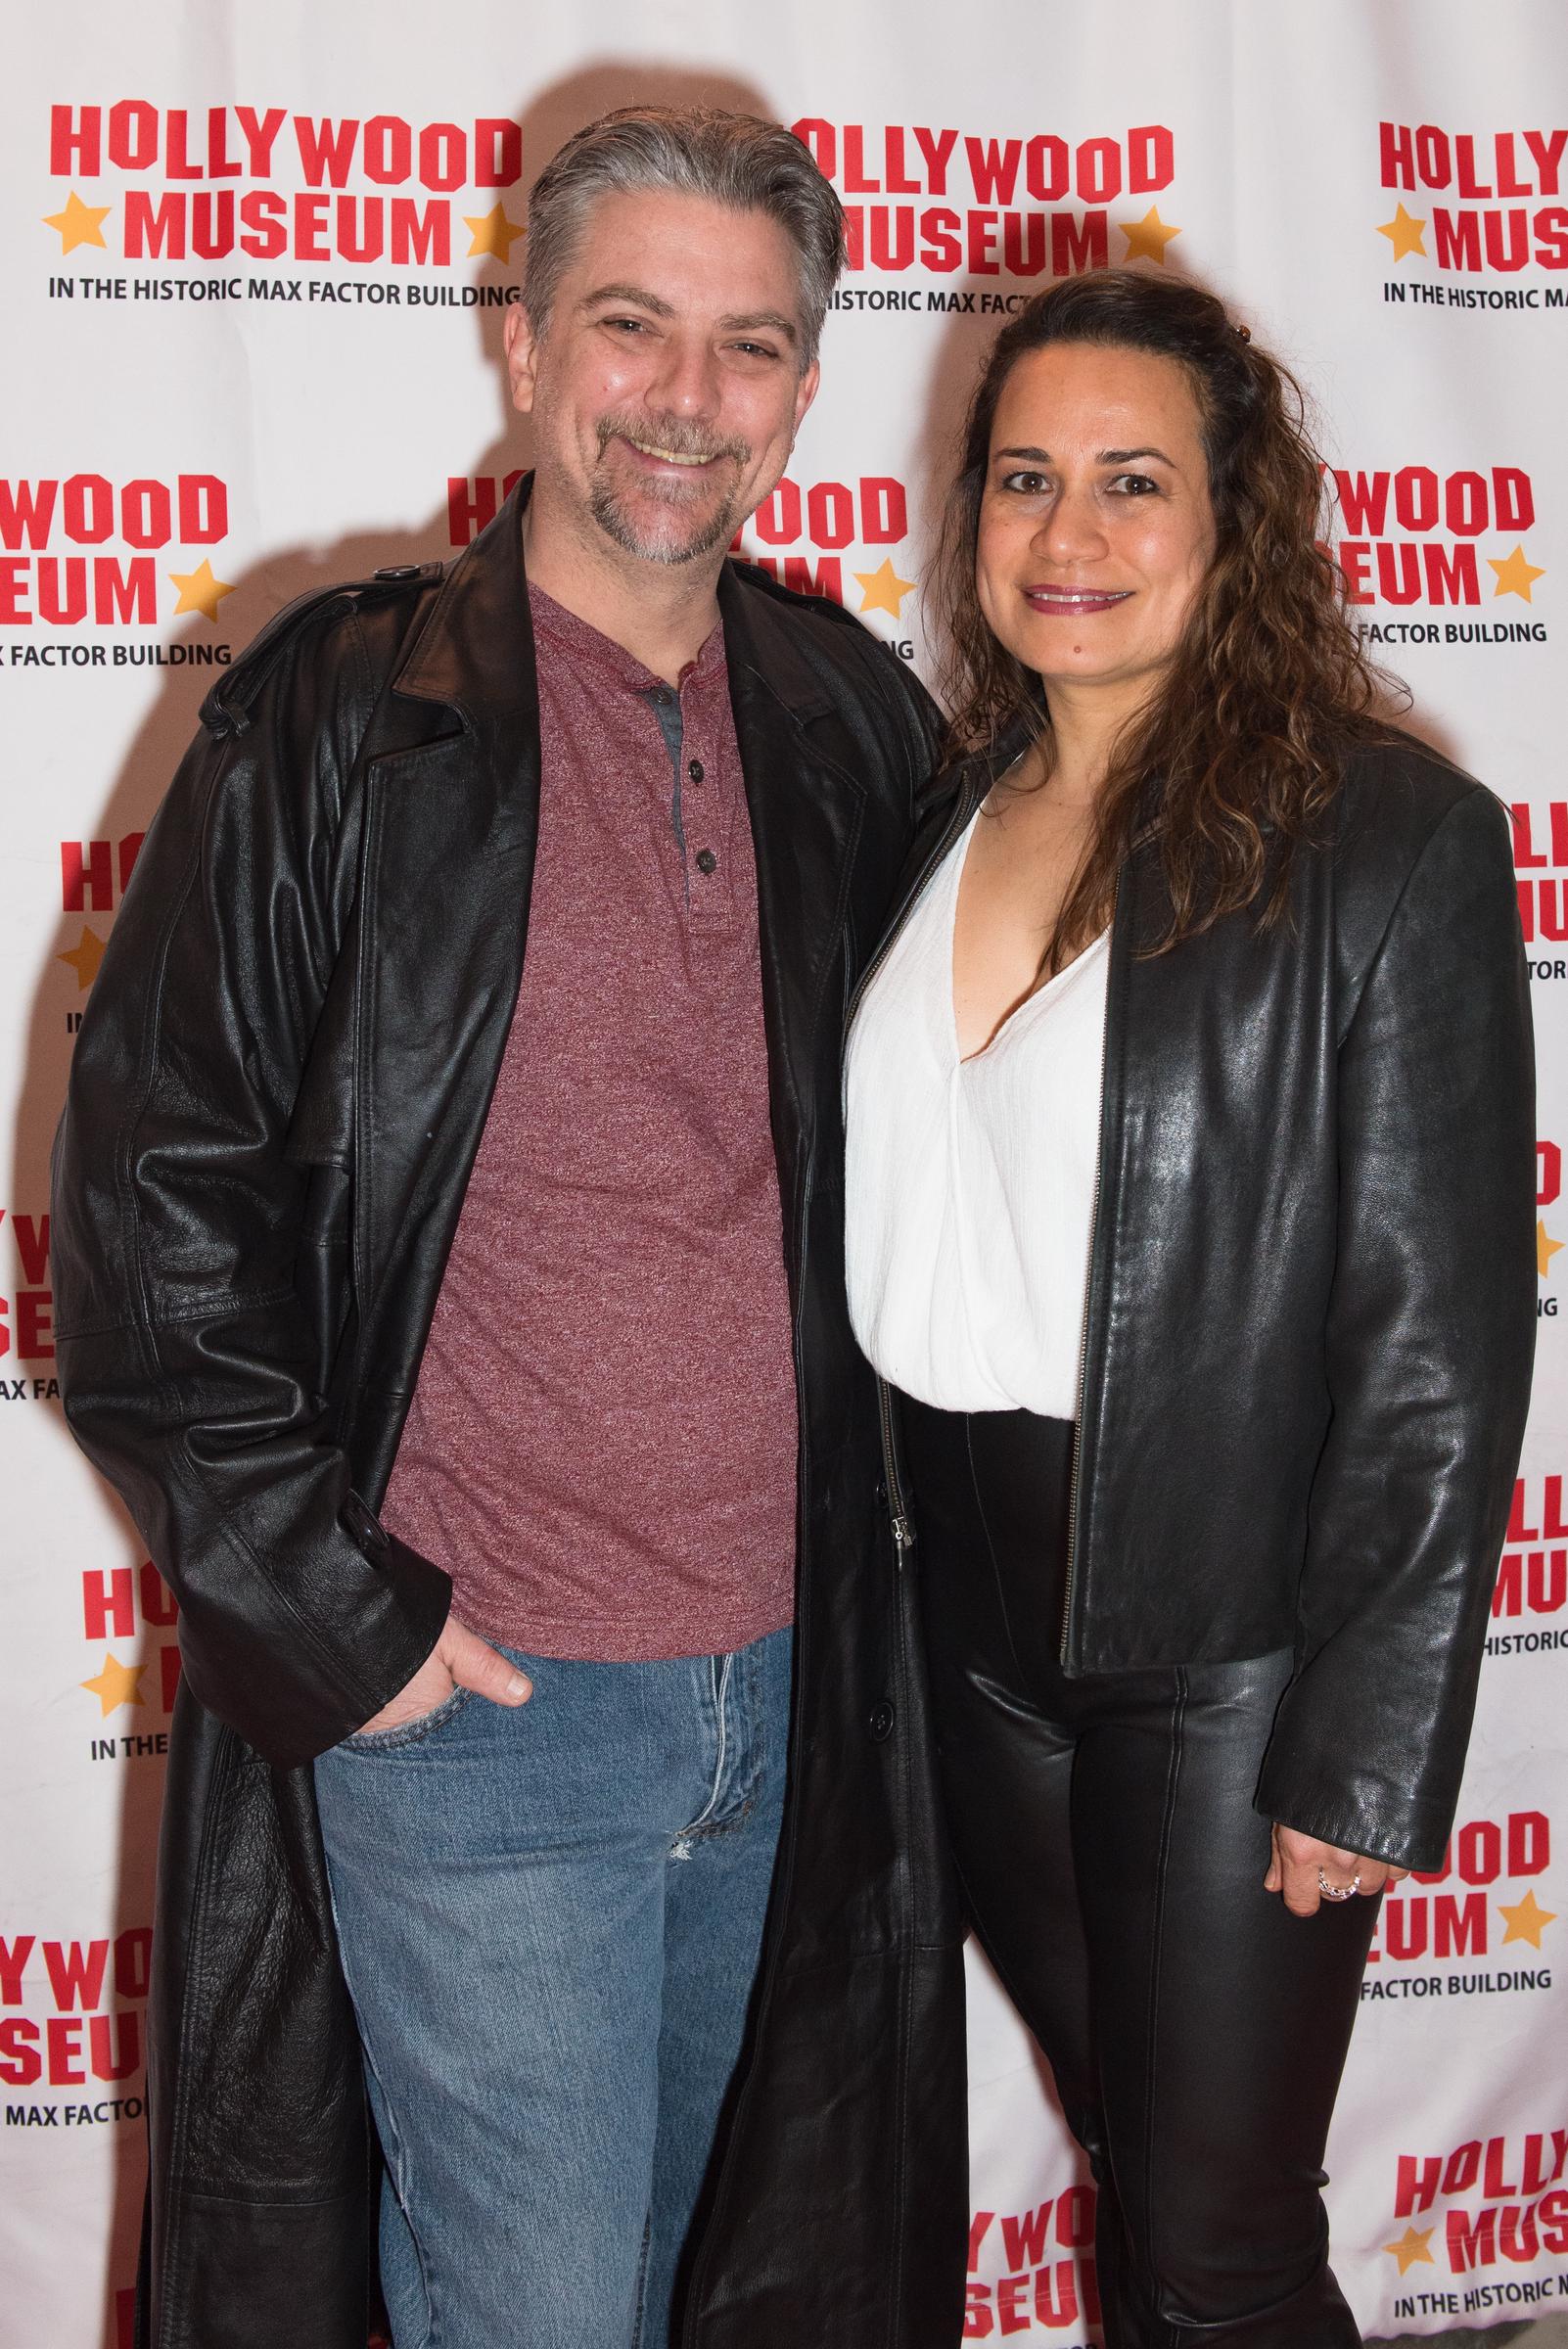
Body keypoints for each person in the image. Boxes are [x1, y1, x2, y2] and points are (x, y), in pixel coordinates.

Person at [50, 107, 966, 2349]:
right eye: (631, 325)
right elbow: (147, 1206)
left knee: (679, 2294)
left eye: (752, 346)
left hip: (790, 1702)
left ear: (807, 383)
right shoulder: (342, 717)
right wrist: (337, 1616)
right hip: (491, 1708)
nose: (688, 395)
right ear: (524, 339)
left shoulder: (853, 721)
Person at [844, 268, 1535, 2345]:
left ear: (1237, 522)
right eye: (1027, 480)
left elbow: (1436, 1343)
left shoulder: (1383, 837)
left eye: (1135, 484)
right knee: (1145, 2184)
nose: (1071, 539)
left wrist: (1370, 1749)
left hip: (1223, 1654)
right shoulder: (930, 813)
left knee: (1220, 2249)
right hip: (949, 1627)